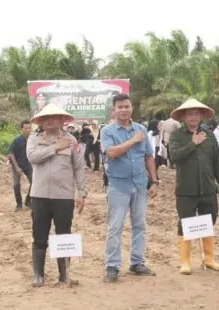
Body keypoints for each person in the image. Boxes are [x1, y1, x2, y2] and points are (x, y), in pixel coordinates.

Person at [26, 104, 87, 287]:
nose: (50, 120)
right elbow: (32, 158)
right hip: (39, 196)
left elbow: (79, 167)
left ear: (62, 120)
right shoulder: (34, 139)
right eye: (46, 117)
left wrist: (82, 193)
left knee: (64, 235)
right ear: (41, 121)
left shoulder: (72, 141)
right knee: (39, 236)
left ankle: (64, 274)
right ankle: (38, 275)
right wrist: (55, 147)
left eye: (55, 117)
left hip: (64, 196)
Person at [100, 93, 159, 283]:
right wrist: (134, 140)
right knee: (115, 226)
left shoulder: (141, 128)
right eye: (120, 107)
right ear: (114, 110)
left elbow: (149, 157)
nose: (124, 110)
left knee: (139, 224)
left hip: (140, 184)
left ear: (132, 108)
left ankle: (137, 262)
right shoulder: (108, 131)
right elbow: (112, 153)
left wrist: (154, 181)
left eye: (127, 106)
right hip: (118, 185)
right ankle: (112, 266)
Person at [168, 98, 219, 274]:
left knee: (209, 221)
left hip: (208, 188)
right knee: (185, 223)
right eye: (189, 113)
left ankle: (209, 259)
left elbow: (216, 162)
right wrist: (193, 143)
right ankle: (185, 262)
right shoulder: (177, 135)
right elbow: (173, 156)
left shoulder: (210, 136)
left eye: (196, 113)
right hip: (186, 189)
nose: (193, 116)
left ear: (201, 116)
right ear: (183, 116)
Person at [9, 120, 33, 211]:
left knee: (34, 182)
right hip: (17, 165)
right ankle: (19, 204)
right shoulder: (16, 140)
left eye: (29, 128)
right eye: (26, 128)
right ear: (21, 129)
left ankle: (28, 201)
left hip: (28, 165)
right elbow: (11, 154)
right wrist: (17, 168)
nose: (28, 130)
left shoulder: (32, 140)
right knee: (16, 184)